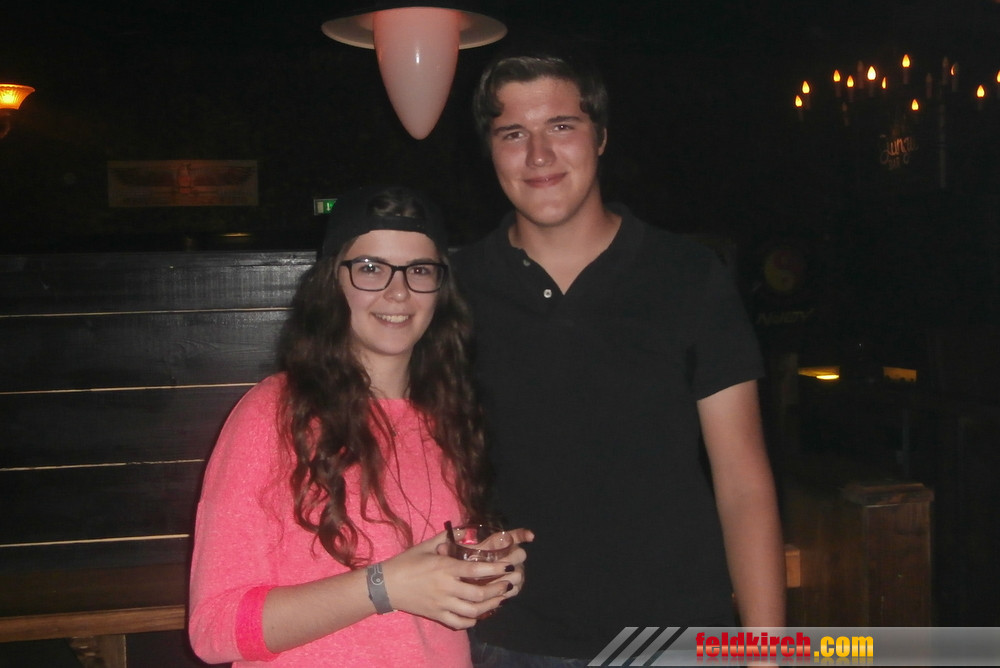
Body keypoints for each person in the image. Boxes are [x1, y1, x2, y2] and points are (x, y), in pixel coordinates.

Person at [452, 48, 786, 665]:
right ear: (489, 151)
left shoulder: (687, 276)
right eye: (513, 134)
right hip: (510, 640)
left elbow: (743, 482)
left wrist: (767, 649)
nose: (539, 155)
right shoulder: (453, 288)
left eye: (561, 126)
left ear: (601, 137)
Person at [189, 185, 531, 667]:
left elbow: (430, 595)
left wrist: (482, 573)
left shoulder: (452, 415)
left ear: (441, 289)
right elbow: (214, 630)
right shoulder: (273, 413)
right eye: (371, 268)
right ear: (333, 281)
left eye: (419, 270)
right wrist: (384, 586)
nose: (398, 291)